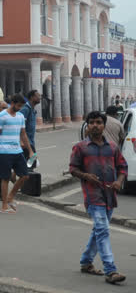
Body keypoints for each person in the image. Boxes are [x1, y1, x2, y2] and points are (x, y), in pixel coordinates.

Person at [69, 111, 127, 284]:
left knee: (99, 231)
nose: (95, 125)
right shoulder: (80, 147)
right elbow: (73, 169)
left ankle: (86, 262)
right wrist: (86, 176)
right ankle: (111, 270)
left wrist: (119, 181)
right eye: (92, 122)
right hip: (92, 195)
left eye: (99, 122)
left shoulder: (112, 147)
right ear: (87, 125)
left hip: (110, 195)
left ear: (104, 125)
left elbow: (122, 167)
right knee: (102, 229)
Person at [0, 94, 32, 214]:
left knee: (25, 175)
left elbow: (23, 134)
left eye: (21, 106)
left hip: (17, 150)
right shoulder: (2, 116)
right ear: (12, 103)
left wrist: (30, 150)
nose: (19, 108)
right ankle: (4, 206)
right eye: (18, 105)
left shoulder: (21, 116)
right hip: (4, 151)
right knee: (5, 178)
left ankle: (11, 196)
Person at [20, 89, 40, 155]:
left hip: (31, 141)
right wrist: (21, 141)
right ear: (32, 97)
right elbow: (20, 126)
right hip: (26, 143)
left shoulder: (32, 109)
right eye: (37, 96)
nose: (39, 98)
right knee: (30, 162)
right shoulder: (25, 109)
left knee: (31, 162)